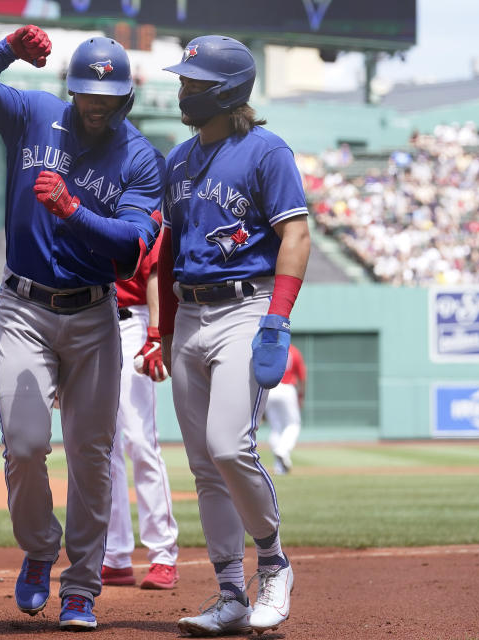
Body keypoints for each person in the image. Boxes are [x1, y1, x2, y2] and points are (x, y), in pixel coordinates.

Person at [0, 26, 164, 630]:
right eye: (86, 94)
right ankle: (40, 546)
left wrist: (74, 211)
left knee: (92, 455)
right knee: (24, 446)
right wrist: (5, 53)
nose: (95, 105)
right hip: (23, 306)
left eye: (108, 97)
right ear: (70, 91)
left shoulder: (140, 156)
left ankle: (81, 586)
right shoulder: (34, 113)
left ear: (126, 97)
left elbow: (132, 245)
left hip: (95, 313)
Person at [157, 36, 310, 636]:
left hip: (245, 309)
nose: (181, 91)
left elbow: (295, 236)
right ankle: (229, 594)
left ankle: (273, 564)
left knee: (228, 446)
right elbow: (168, 251)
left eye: (192, 84)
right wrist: (163, 332)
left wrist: (277, 318)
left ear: (224, 92)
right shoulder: (178, 160)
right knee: (202, 467)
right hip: (188, 315)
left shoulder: (266, 151)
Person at [102, 212, 180, 590]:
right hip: (91, 318)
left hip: (133, 322)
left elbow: (154, 271)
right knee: (106, 446)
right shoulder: (86, 196)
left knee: (139, 440)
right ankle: (115, 556)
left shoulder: (143, 205)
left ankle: (163, 554)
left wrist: (154, 333)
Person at [265, 343, 306, 475]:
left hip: (270, 388)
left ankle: (280, 468)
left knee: (276, 428)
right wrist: (301, 395)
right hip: (287, 388)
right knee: (293, 425)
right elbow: (302, 376)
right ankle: (282, 451)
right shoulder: (293, 350)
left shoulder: (269, 349)